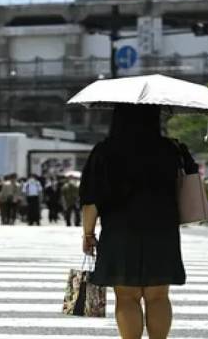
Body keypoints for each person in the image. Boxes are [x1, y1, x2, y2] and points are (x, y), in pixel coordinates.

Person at [80, 104, 190, 339]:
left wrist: (88, 234)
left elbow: (91, 199)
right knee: (158, 295)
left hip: (120, 229)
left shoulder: (105, 151)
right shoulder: (169, 149)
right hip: (162, 229)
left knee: (126, 295)